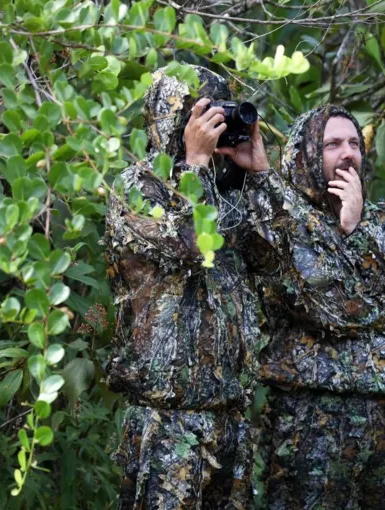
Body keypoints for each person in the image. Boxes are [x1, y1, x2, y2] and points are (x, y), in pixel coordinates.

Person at [221, 105, 385, 509]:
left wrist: (356, 227)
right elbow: (324, 302)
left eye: (355, 143)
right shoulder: (284, 222)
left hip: (384, 414)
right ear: (306, 154)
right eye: (333, 144)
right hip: (312, 417)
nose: (348, 152)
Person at [103, 65, 265, 510]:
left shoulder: (229, 192)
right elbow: (193, 245)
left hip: (229, 416)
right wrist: (192, 165)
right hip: (166, 420)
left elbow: (285, 266)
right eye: (202, 116)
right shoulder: (138, 189)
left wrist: (261, 176)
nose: (216, 126)